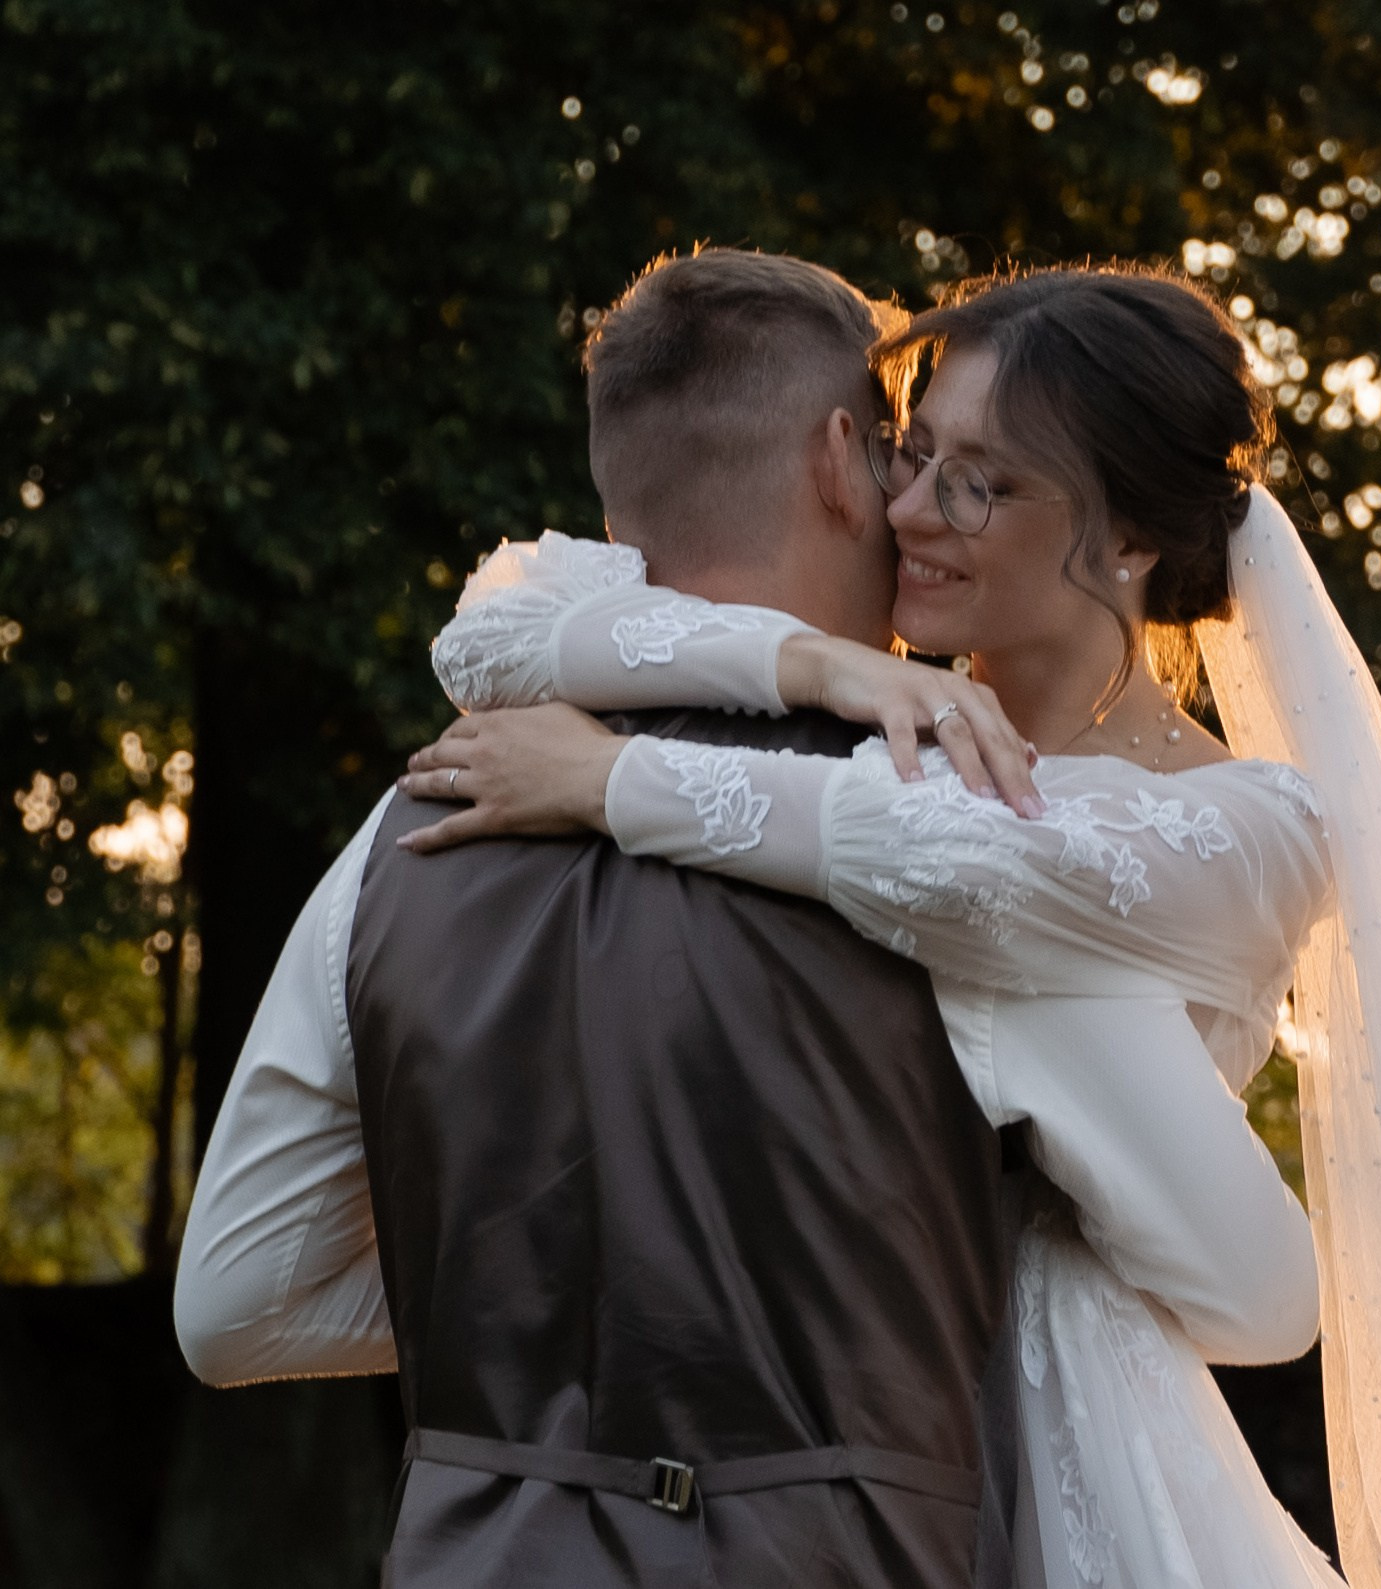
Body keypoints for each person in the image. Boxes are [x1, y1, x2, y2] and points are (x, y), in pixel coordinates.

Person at [400, 263, 1381, 1589]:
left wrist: (614, 779)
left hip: (1089, 1451)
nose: (909, 511)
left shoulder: (1249, 822)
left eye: (985, 482)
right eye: (915, 457)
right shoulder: (868, 728)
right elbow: (493, 636)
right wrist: (817, 663)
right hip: (829, 1415)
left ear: (1128, 536)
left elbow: (974, 870)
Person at [173, 249, 1319, 1589]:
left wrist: (535, 1307)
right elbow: (1254, 1288)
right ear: (843, 460)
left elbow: (233, 1305)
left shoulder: (414, 819)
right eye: (904, 449)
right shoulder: (951, 847)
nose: (914, 499)